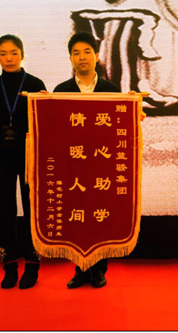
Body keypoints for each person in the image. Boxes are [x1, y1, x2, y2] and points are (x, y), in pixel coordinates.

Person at [54, 31, 120, 289]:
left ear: (97, 55)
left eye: (87, 52)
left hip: (101, 163)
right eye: (76, 53)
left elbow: (119, 125)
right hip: (73, 164)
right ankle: (80, 268)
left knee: (100, 217)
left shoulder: (111, 90)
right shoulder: (61, 91)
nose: (82, 57)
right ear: (70, 58)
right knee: (77, 216)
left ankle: (99, 269)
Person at [0, 35, 47, 289]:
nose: (8, 58)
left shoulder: (35, 84)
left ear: (22, 54)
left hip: (30, 158)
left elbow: (45, 121)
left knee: (32, 212)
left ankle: (32, 265)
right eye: (3, 53)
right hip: (0, 158)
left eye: (13, 53)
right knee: (5, 213)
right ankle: (9, 267)